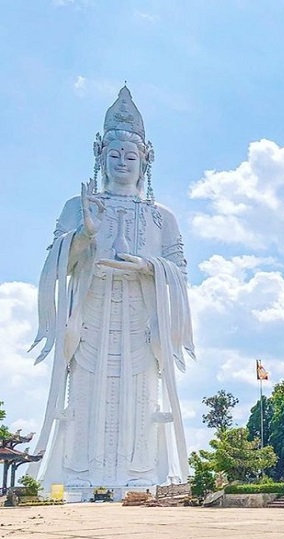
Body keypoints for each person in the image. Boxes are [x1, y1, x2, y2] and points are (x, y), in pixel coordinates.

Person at [29, 86, 194, 490]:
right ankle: (75, 480)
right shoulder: (78, 205)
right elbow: (56, 262)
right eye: (114, 155)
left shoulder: (160, 217)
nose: (122, 162)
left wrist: (149, 266)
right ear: (100, 155)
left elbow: (180, 270)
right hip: (92, 313)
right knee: (84, 397)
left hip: (140, 316)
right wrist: (83, 236)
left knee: (140, 399)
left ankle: (140, 479)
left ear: (145, 161)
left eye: (130, 156)